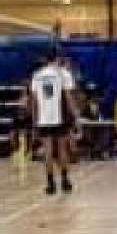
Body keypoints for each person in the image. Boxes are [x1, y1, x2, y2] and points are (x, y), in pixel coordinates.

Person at [27, 49, 79, 196]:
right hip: (60, 117)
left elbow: (34, 101)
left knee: (48, 151)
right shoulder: (63, 74)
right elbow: (68, 97)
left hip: (43, 118)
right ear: (57, 59)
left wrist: (35, 120)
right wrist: (75, 115)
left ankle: (50, 184)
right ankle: (65, 181)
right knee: (62, 149)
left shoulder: (37, 75)